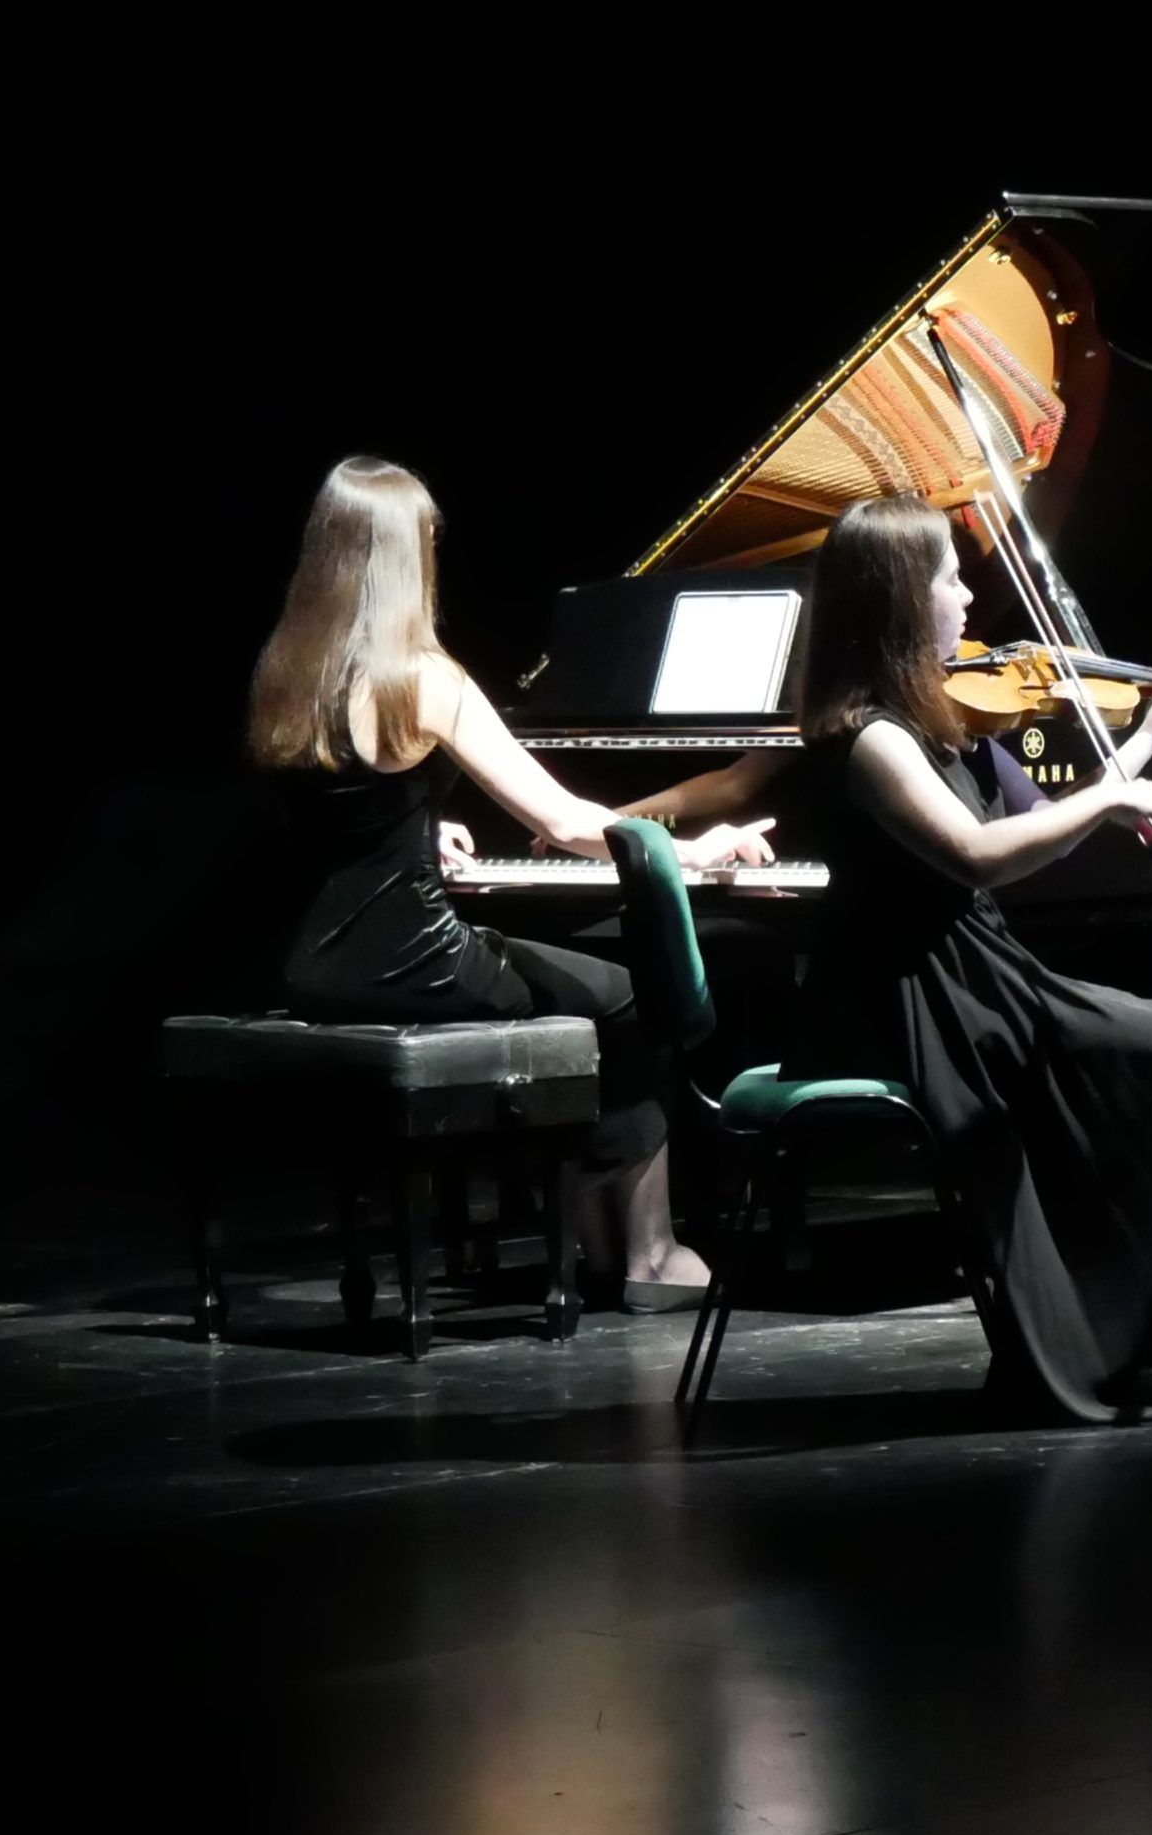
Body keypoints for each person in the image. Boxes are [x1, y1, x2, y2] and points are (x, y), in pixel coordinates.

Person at [788, 493, 1152, 1420]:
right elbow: (979, 857)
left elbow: (1041, 831)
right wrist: (1109, 802)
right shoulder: (873, 741)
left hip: (981, 975)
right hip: (916, 997)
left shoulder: (945, 723)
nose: (969, 599)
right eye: (948, 576)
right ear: (902, 597)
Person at [248, 457, 776, 1310]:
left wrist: (418, 826)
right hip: (418, 962)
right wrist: (694, 853)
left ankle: (594, 1238)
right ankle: (648, 1253)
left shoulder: (285, 674)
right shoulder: (426, 680)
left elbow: (338, 815)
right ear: (409, 555)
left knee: (584, 992)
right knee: (633, 996)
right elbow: (570, 822)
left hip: (313, 964)